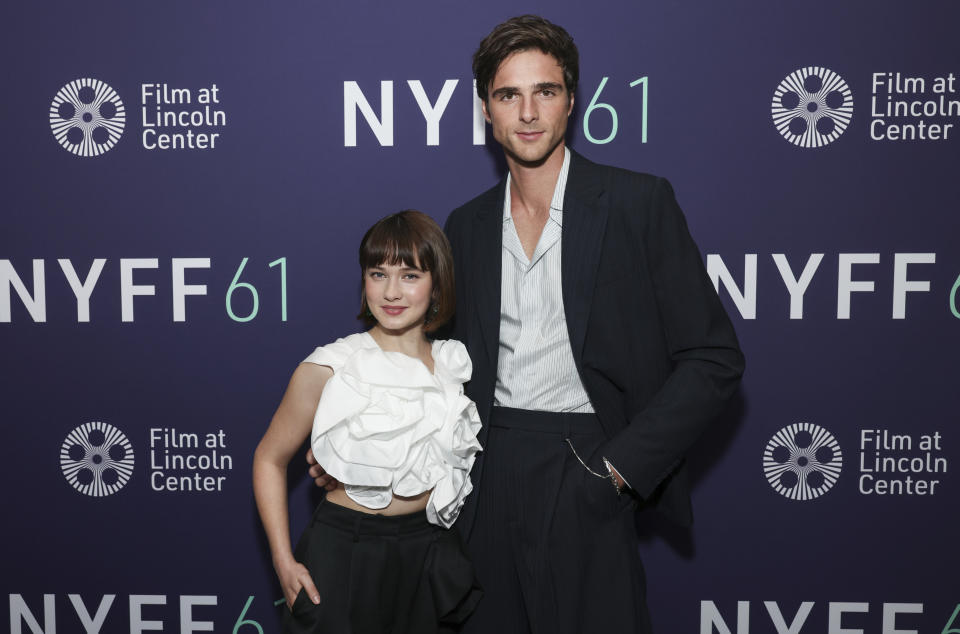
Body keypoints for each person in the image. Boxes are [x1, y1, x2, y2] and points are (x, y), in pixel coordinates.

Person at [312, 15, 745, 634]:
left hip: (591, 463)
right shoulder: (465, 226)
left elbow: (713, 357)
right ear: (486, 110)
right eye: (508, 94)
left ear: (571, 99)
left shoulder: (636, 203)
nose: (528, 112)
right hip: (488, 473)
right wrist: (355, 450)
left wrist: (620, 469)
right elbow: (429, 362)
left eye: (545, 90)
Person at [254, 210, 482, 634]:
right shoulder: (331, 367)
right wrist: (282, 562)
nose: (392, 292)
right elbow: (269, 459)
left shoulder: (455, 365)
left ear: (436, 284)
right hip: (345, 552)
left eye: (410, 275)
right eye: (378, 274)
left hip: (429, 553)